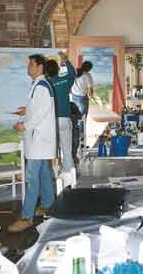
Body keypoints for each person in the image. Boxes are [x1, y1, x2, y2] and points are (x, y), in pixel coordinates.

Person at [8, 54, 56, 233]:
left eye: (31, 64)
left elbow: (41, 112)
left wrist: (24, 125)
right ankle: (47, 205)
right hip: (40, 141)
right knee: (44, 173)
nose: (28, 66)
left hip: (39, 140)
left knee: (31, 178)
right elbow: (38, 108)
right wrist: (26, 110)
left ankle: (26, 217)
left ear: (40, 67)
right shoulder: (39, 85)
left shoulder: (42, 86)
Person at [46, 52, 76, 188]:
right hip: (65, 119)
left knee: (52, 150)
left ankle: (54, 178)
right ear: (58, 70)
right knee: (67, 149)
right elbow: (73, 74)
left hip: (51, 121)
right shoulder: (64, 80)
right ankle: (69, 179)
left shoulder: (46, 84)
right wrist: (66, 60)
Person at [71, 61, 94, 147]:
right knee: (82, 120)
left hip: (74, 98)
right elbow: (91, 89)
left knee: (75, 119)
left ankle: (75, 139)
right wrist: (91, 96)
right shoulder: (87, 75)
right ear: (89, 68)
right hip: (82, 99)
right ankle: (81, 141)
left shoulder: (75, 72)